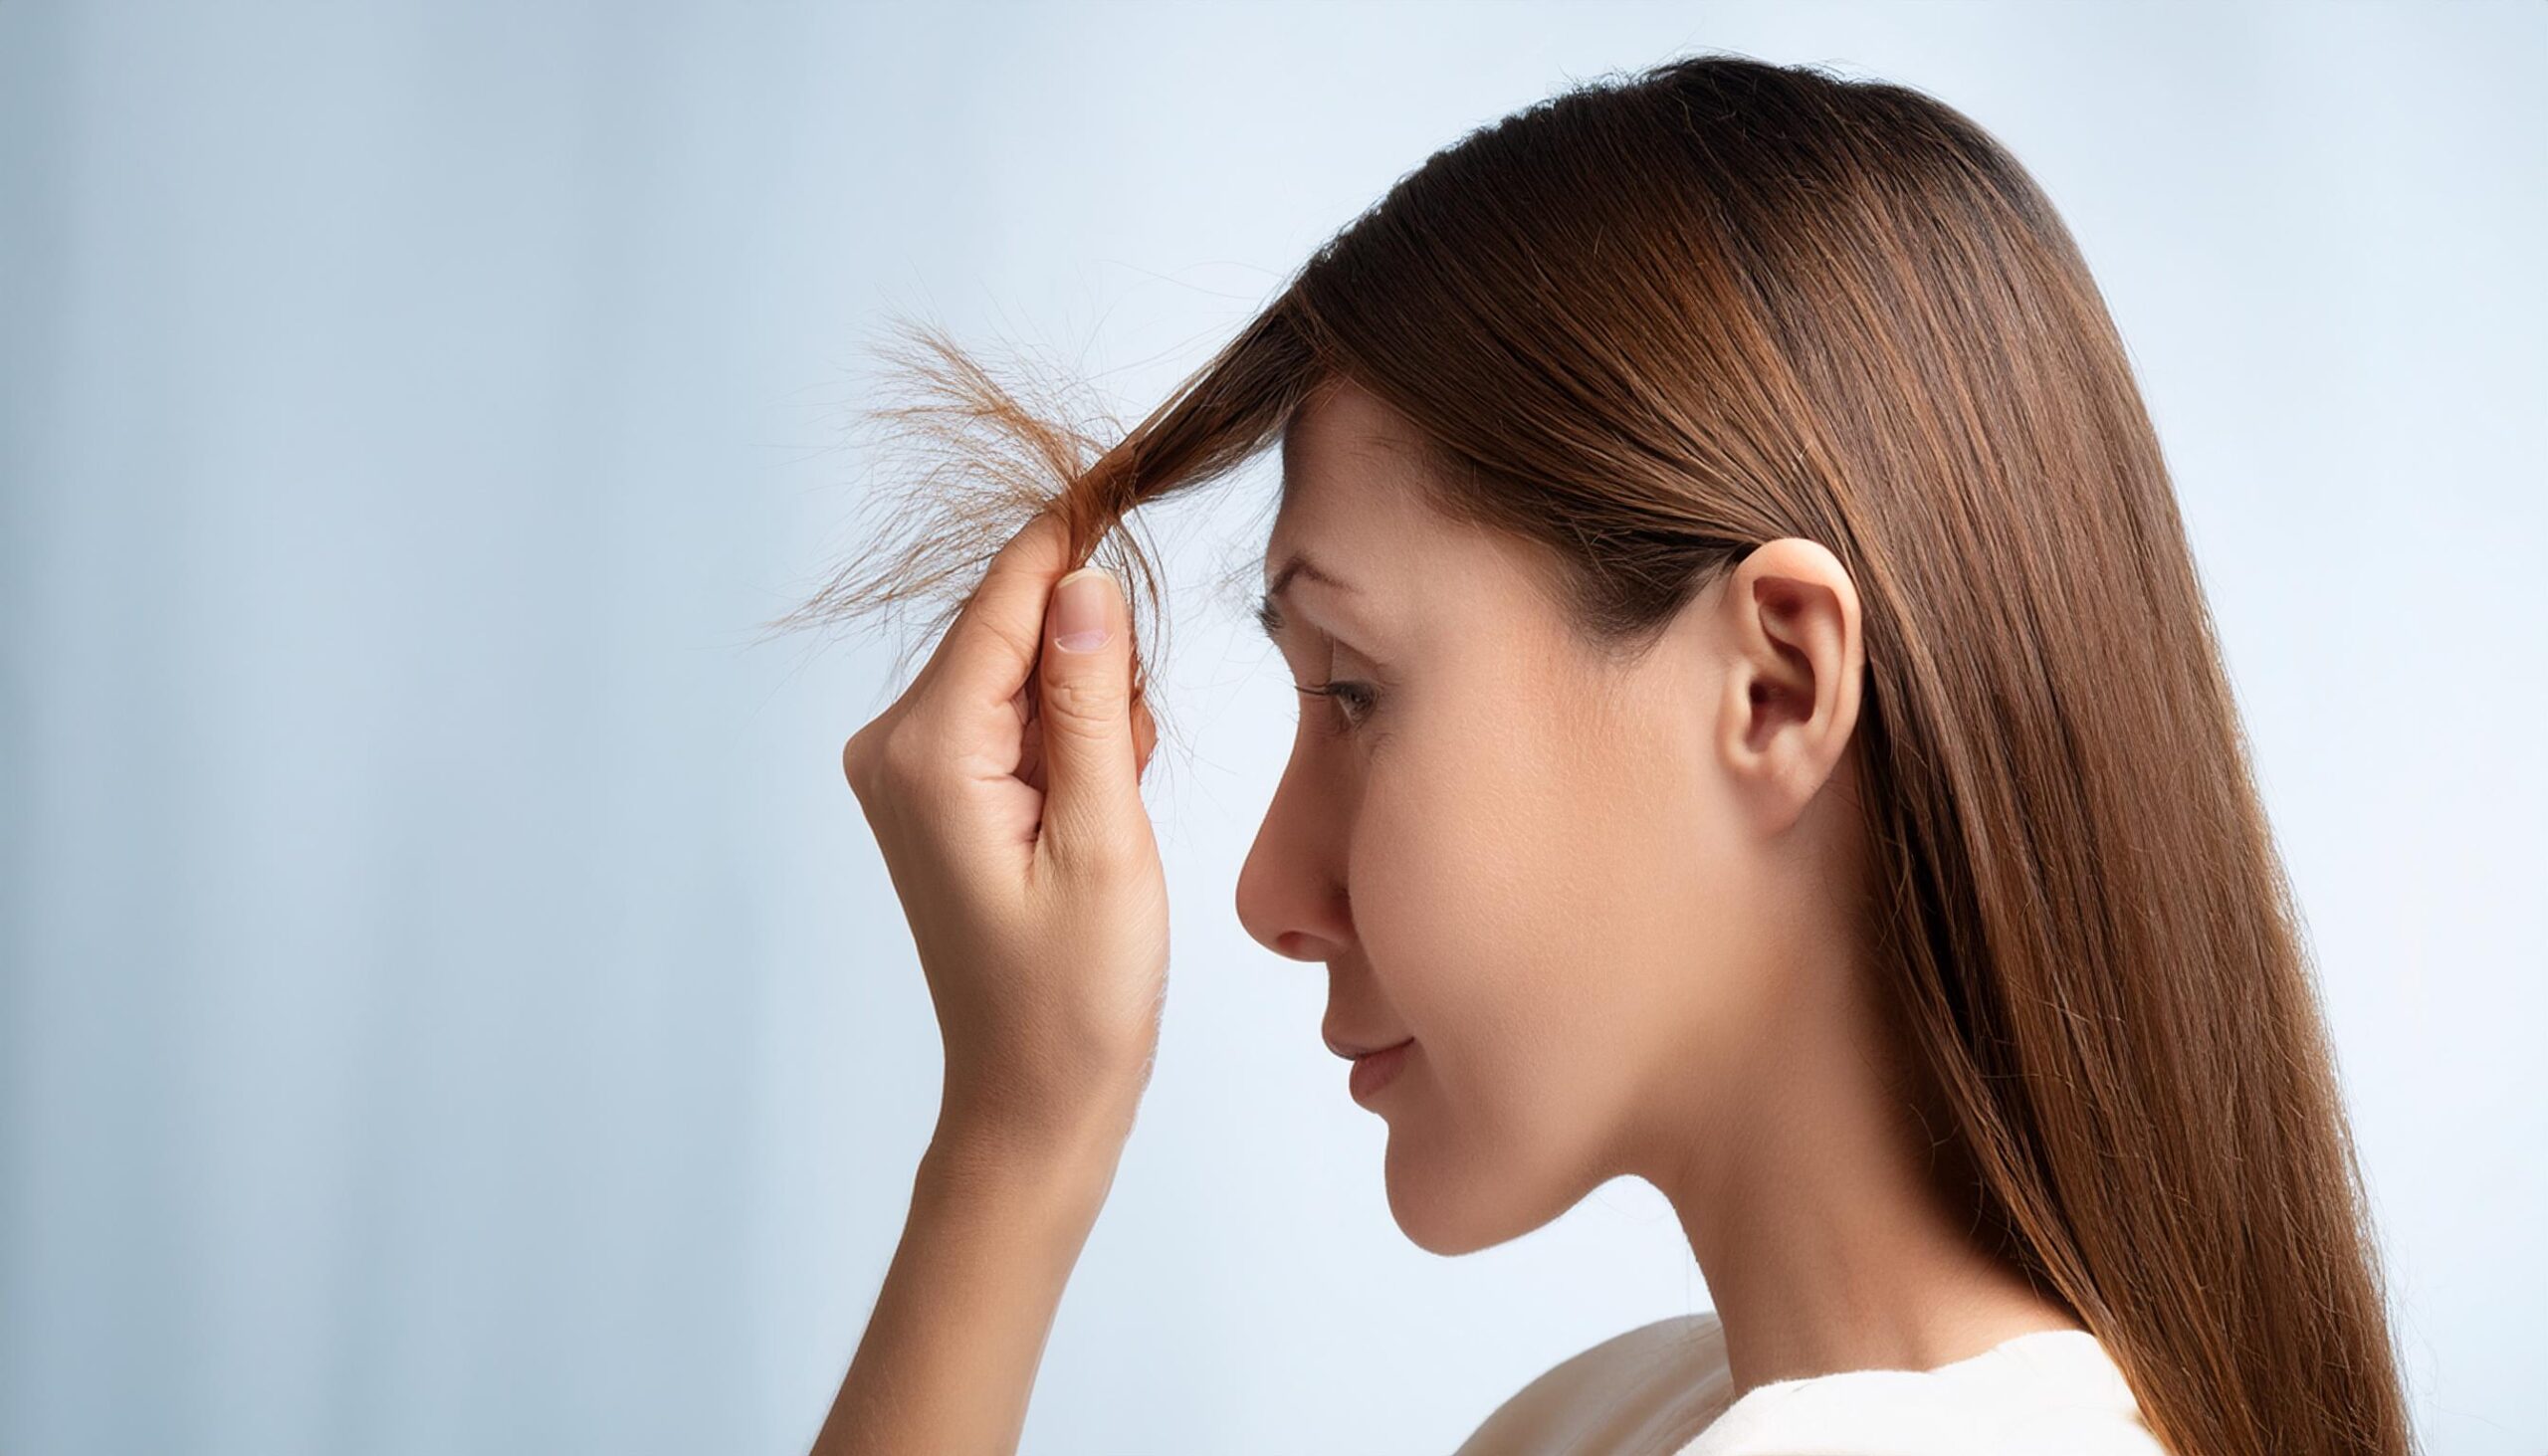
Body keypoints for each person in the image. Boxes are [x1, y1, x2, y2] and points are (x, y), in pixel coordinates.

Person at [793, 52, 2414, 1456]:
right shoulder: (1608, 1423)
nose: (1270, 890)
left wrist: (1015, 1143)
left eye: (1355, 691)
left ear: (1775, 690)